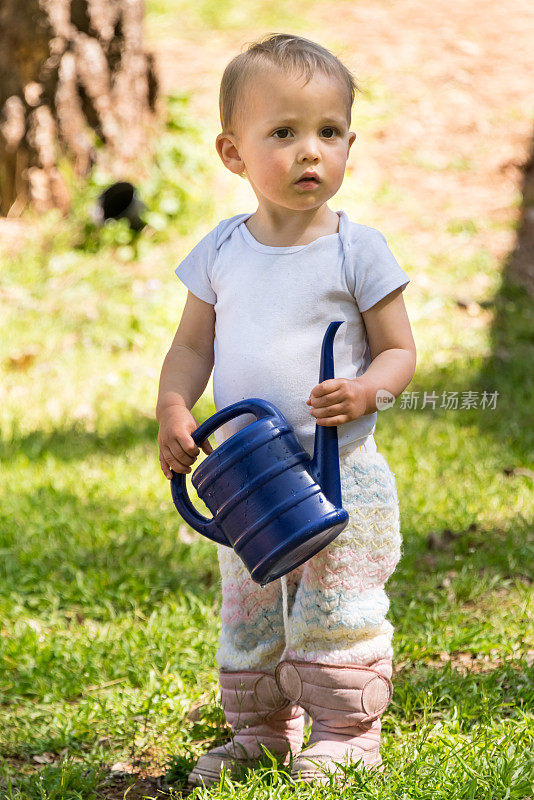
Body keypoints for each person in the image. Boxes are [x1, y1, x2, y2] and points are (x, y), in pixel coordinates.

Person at [156, 32, 417, 787]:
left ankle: (345, 730)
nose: (312, 152)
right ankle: (262, 729)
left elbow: (401, 353)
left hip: (341, 475)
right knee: (252, 604)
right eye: (285, 133)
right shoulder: (220, 252)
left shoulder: (357, 252)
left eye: (329, 133)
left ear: (349, 143)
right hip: (250, 477)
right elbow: (188, 349)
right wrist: (175, 406)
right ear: (232, 153)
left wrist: (367, 391)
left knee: (339, 603)